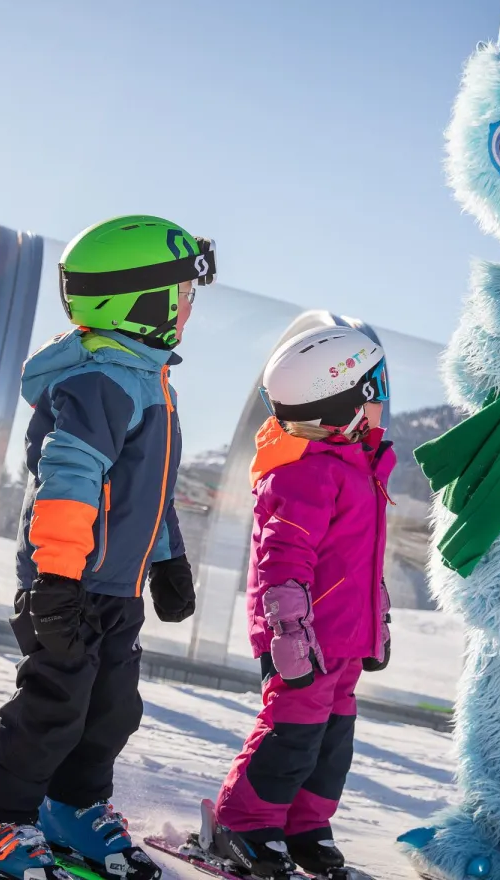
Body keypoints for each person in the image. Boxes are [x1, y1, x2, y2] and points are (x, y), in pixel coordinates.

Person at [0, 216, 216, 880]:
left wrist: (168, 561)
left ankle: (71, 805)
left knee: (111, 709)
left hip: (114, 589)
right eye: (179, 292)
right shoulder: (101, 380)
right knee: (53, 706)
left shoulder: (146, 380)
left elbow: (145, 494)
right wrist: (57, 582)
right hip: (67, 584)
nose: (187, 306)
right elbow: (68, 485)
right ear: (138, 300)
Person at [202, 326, 394, 880]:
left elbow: (363, 559)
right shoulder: (305, 471)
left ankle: (303, 826)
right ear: (344, 402)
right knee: (292, 735)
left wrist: (375, 620)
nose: (381, 397)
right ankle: (244, 823)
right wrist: (289, 635)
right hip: (304, 639)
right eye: (374, 386)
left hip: (343, 639)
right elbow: (281, 562)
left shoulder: (357, 464)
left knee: (332, 742)